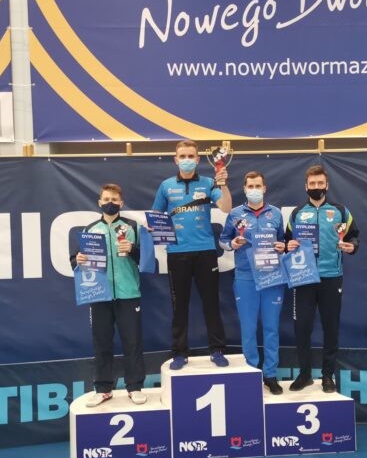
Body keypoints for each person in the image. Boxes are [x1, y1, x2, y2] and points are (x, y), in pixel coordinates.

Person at [152, 140, 232, 370]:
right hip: (177, 253)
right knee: (179, 306)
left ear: (197, 159)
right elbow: (156, 214)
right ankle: (179, 352)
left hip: (205, 252)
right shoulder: (166, 186)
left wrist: (224, 185)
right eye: (182, 156)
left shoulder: (208, 182)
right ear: (175, 159)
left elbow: (226, 207)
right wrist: (153, 226)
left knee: (211, 303)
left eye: (190, 156)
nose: (186, 160)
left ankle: (217, 349)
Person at [285, 165, 360, 393]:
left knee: (331, 327)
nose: (316, 187)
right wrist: (289, 245)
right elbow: (287, 240)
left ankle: (328, 376)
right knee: (302, 328)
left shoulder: (340, 211)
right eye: (312, 183)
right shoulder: (297, 213)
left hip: (331, 277)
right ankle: (305, 374)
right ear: (305, 186)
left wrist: (352, 246)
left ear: (326, 185)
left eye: (320, 183)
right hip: (304, 277)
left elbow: (354, 236)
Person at [71, 183, 146, 407]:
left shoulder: (133, 226)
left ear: (121, 203)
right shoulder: (90, 229)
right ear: (99, 202)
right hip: (99, 293)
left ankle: (135, 387)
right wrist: (77, 259)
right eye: (106, 199)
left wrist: (132, 250)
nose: (110, 203)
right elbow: (77, 259)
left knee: (132, 342)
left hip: (128, 293)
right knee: (101, 342)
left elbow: (147, 259)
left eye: (114, 199)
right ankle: (103, 389)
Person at [220, 171, 286, 394]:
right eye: (251, 186)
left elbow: (283, 241)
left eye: (258, 186)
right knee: (248, 329)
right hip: (245, 277)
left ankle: (271, 375)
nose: (254, 190)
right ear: (245, 189)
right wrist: (232, 244)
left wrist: (282, 247)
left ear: (264, 188)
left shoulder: (276, 213)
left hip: (272, 276)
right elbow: (223, 240)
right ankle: (251, 373)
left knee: (271, 328)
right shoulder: (235, 214)